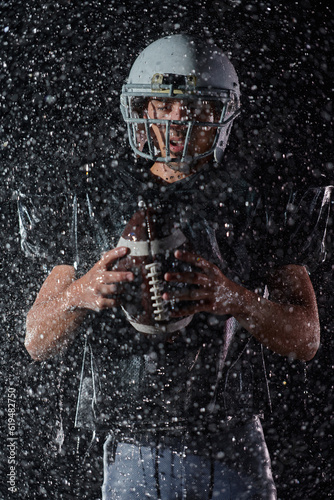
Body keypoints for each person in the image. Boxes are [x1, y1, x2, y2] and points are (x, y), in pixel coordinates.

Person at [21, 34, 320, 499]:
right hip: (131, 450)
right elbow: (37, 340)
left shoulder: (253, 198)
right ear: (142, 109)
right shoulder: (96, 196)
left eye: (197, 106)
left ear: (221, 114)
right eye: (163, 104)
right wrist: (81, 292)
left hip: (232, 443)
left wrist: (237, 300)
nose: (178, 118)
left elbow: (306, 338)